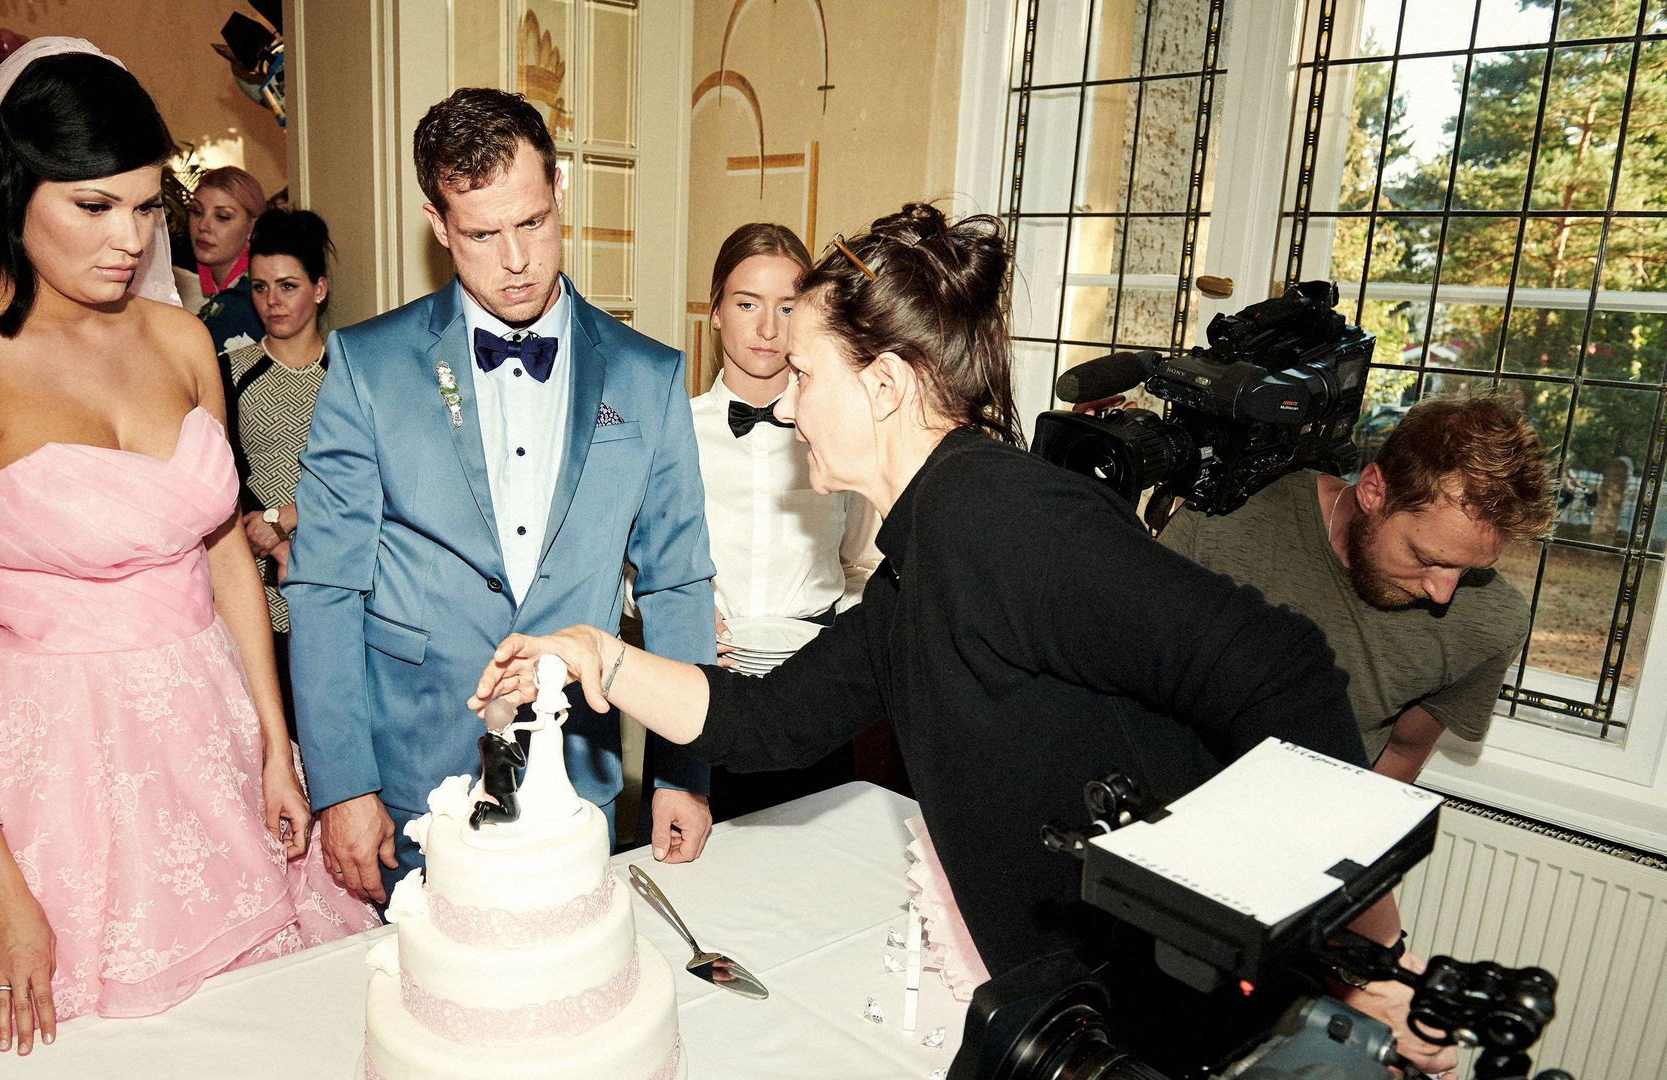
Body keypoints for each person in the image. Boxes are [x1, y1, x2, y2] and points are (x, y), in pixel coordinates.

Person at [469, 204, 1456, 1077]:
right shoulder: (923, 546)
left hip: (1169, 1014)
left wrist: (1360, 948)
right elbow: (768, 722)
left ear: (888, 384)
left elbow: (1281, 670)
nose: (787, 398)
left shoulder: (1010, 520)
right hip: (1070, 1015)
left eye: (808, 374)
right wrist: (597, 656)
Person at [0, 38, 376, 1077]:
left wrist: (276, 741)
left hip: (206, 729)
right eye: (94, 207)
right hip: (38, 760)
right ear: (14, 188)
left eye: (146, 209)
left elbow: (221, 543)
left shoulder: (182, 343)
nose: (129, 241)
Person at [285, 87, 717, 906]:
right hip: (414, 771)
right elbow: (324, 586)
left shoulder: (647, 375)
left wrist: (682, 770)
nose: (515, 259)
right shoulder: (368, 367)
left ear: (560, 190)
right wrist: (342, 784)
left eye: (532, 222)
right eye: (481, 234)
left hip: (577, 778)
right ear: (438, 224)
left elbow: (676, 582)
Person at [1157, 393, 1554, 783]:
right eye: (1426, 557)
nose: (1442, 592)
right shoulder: (1223, 520)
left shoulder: (1490, 623)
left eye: (1468, 569)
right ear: (1373, 491)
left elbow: (1404, 749)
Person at [689, 222, 879, 819]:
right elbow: (630, 565)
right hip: (709, 686)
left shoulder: (841, 435)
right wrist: (685, 607)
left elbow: (863, 559)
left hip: (816, 688)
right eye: (747, 304)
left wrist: (830, 634)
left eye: (787, 307)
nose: (767, 328)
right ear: (716, 310)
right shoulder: (675, 433)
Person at [221, 207, 337, 733]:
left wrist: (287, 518)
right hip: (257, 587)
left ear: (319, 288)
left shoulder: (350, 371)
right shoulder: (232, 371)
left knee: (331, 733)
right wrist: (266, 538)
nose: (272, 301)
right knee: (269, 734)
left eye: (288, 286)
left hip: (336, 575)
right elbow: (218, 473)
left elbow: (373, 477)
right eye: (260, 287)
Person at [189, 165, 267, 353]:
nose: (203, 226)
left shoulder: (252, 300)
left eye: (222, 217)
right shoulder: (182, 288)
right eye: (197, 211)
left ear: (252, 227)